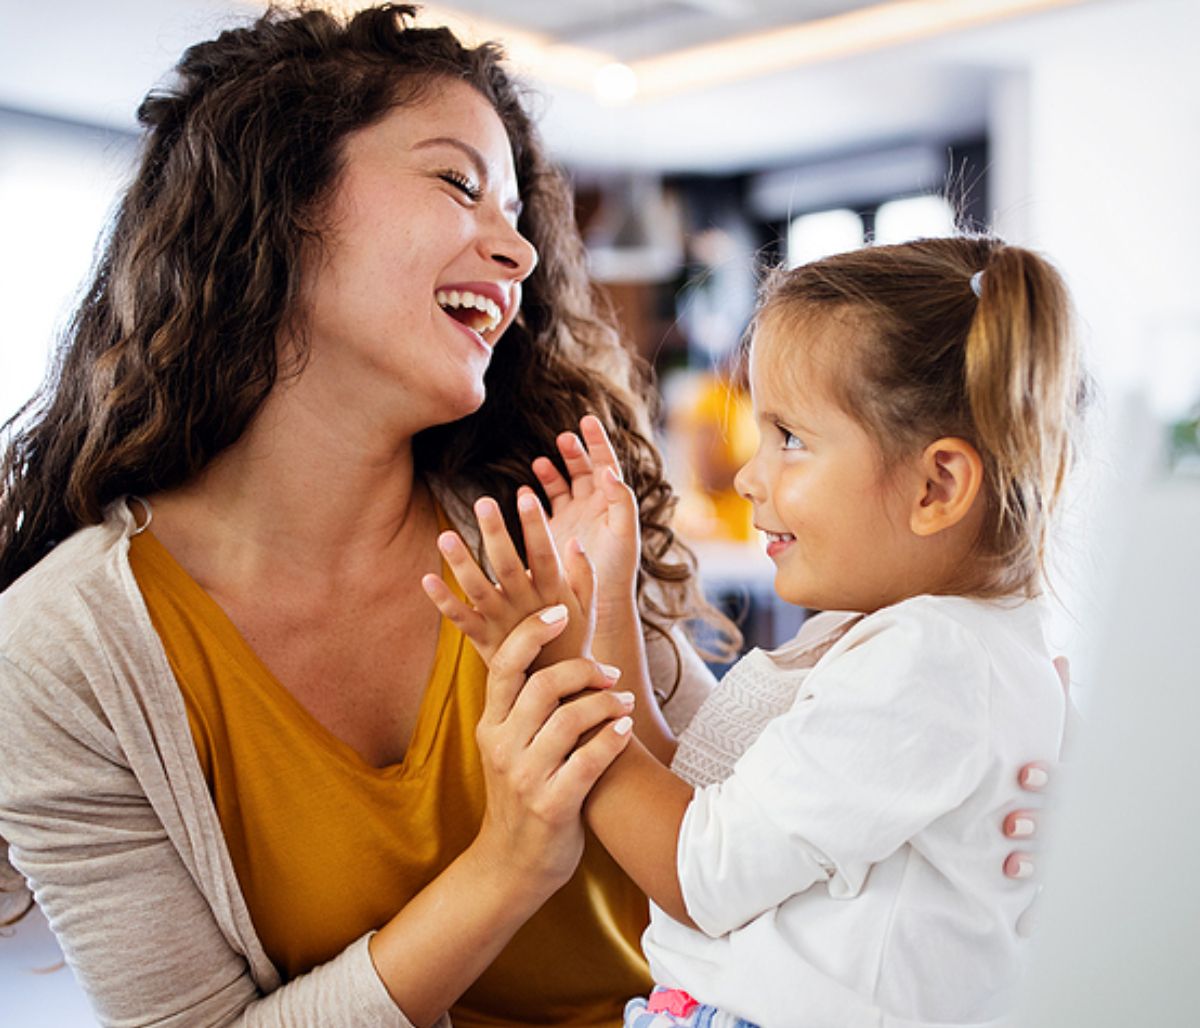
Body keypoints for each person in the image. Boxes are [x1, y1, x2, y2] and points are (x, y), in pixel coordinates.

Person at [0, 5, 1052, 1026]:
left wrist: (976, 799)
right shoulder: (62, 654)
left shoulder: (544, 515)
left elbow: (737, 813)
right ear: (275, 202)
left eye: (515, 212)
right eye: (460, 183)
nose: (523, 254)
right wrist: (509, 860)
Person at [426, 236, 1083, 1028]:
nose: (748, 474)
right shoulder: (918, 647)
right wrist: (604, 604)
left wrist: (556, 674)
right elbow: (693, 800)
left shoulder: (928, 664)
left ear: (936, 485)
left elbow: (694, 871)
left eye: (791, 439)